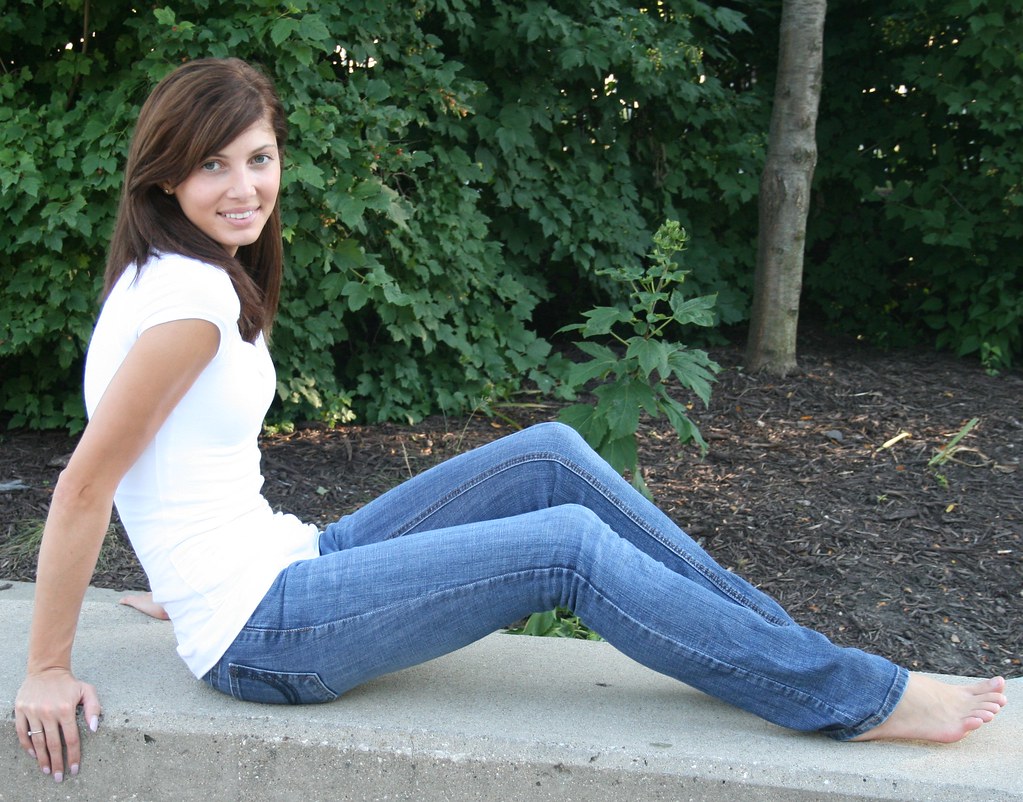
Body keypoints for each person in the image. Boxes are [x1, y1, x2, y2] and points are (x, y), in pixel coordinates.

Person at [14, 57, 1007, 784]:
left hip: (280, 564)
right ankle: (852, 695)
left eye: (260, 157)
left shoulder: (171, 276)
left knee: (551, 453)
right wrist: (50, 668)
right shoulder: (185, 312)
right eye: (214, 168)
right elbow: (87, 483)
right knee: (563, 547)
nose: (246, 188)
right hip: (266, 632)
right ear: (164, 182)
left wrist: (182, 577)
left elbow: (158, 460)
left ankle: (781, 648)